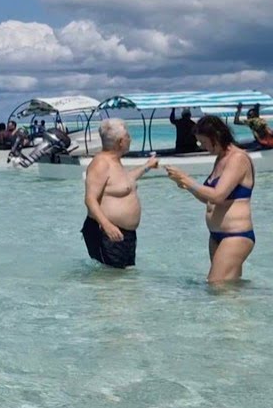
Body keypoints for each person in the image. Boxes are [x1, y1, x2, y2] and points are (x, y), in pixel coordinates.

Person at [165, 116, 256, 283]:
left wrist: (187, 179)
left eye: (204, 142)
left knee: (216, 284)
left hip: (235, 234)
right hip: (216, 235)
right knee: (229, 289)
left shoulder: (238, 158)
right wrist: (185, 185)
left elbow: (218, 196)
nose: (202, 146)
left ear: (217, 136)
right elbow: (208, 198)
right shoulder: (220, 158)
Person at [81, 119, 158, 269]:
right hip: (107, 233)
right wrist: (107, 225)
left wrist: (147, 166)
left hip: (124, 235)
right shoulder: (101, 163)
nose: (130, 139)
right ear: (121, 141)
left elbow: (125, 182)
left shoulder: (115, 161)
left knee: (123, 283)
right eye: (128, 136)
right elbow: (90, 199)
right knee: (111, 281)